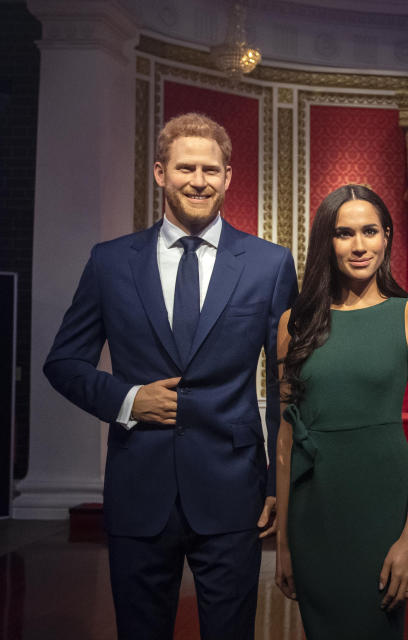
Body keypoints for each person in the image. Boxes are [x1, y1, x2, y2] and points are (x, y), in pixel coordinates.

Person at [43, 112, 299, 639]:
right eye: (186, 168)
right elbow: (63, 362)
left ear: (228, 177)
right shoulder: (110, 262)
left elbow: (282, 383)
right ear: (160, 173)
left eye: (211, 169)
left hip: (233, 491)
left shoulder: (269, 264)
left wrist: (279, 477)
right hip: (139, 489)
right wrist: (128, 399)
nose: (199, 181)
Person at [273, 184, 408, 638]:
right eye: (344, 233)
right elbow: (286, 441)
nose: (359, 245)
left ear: (387, 236)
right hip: (313, 510)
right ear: (327, 241)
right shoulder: (295, 323)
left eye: (370, 231)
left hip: (381, 505)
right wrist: (284, 545)